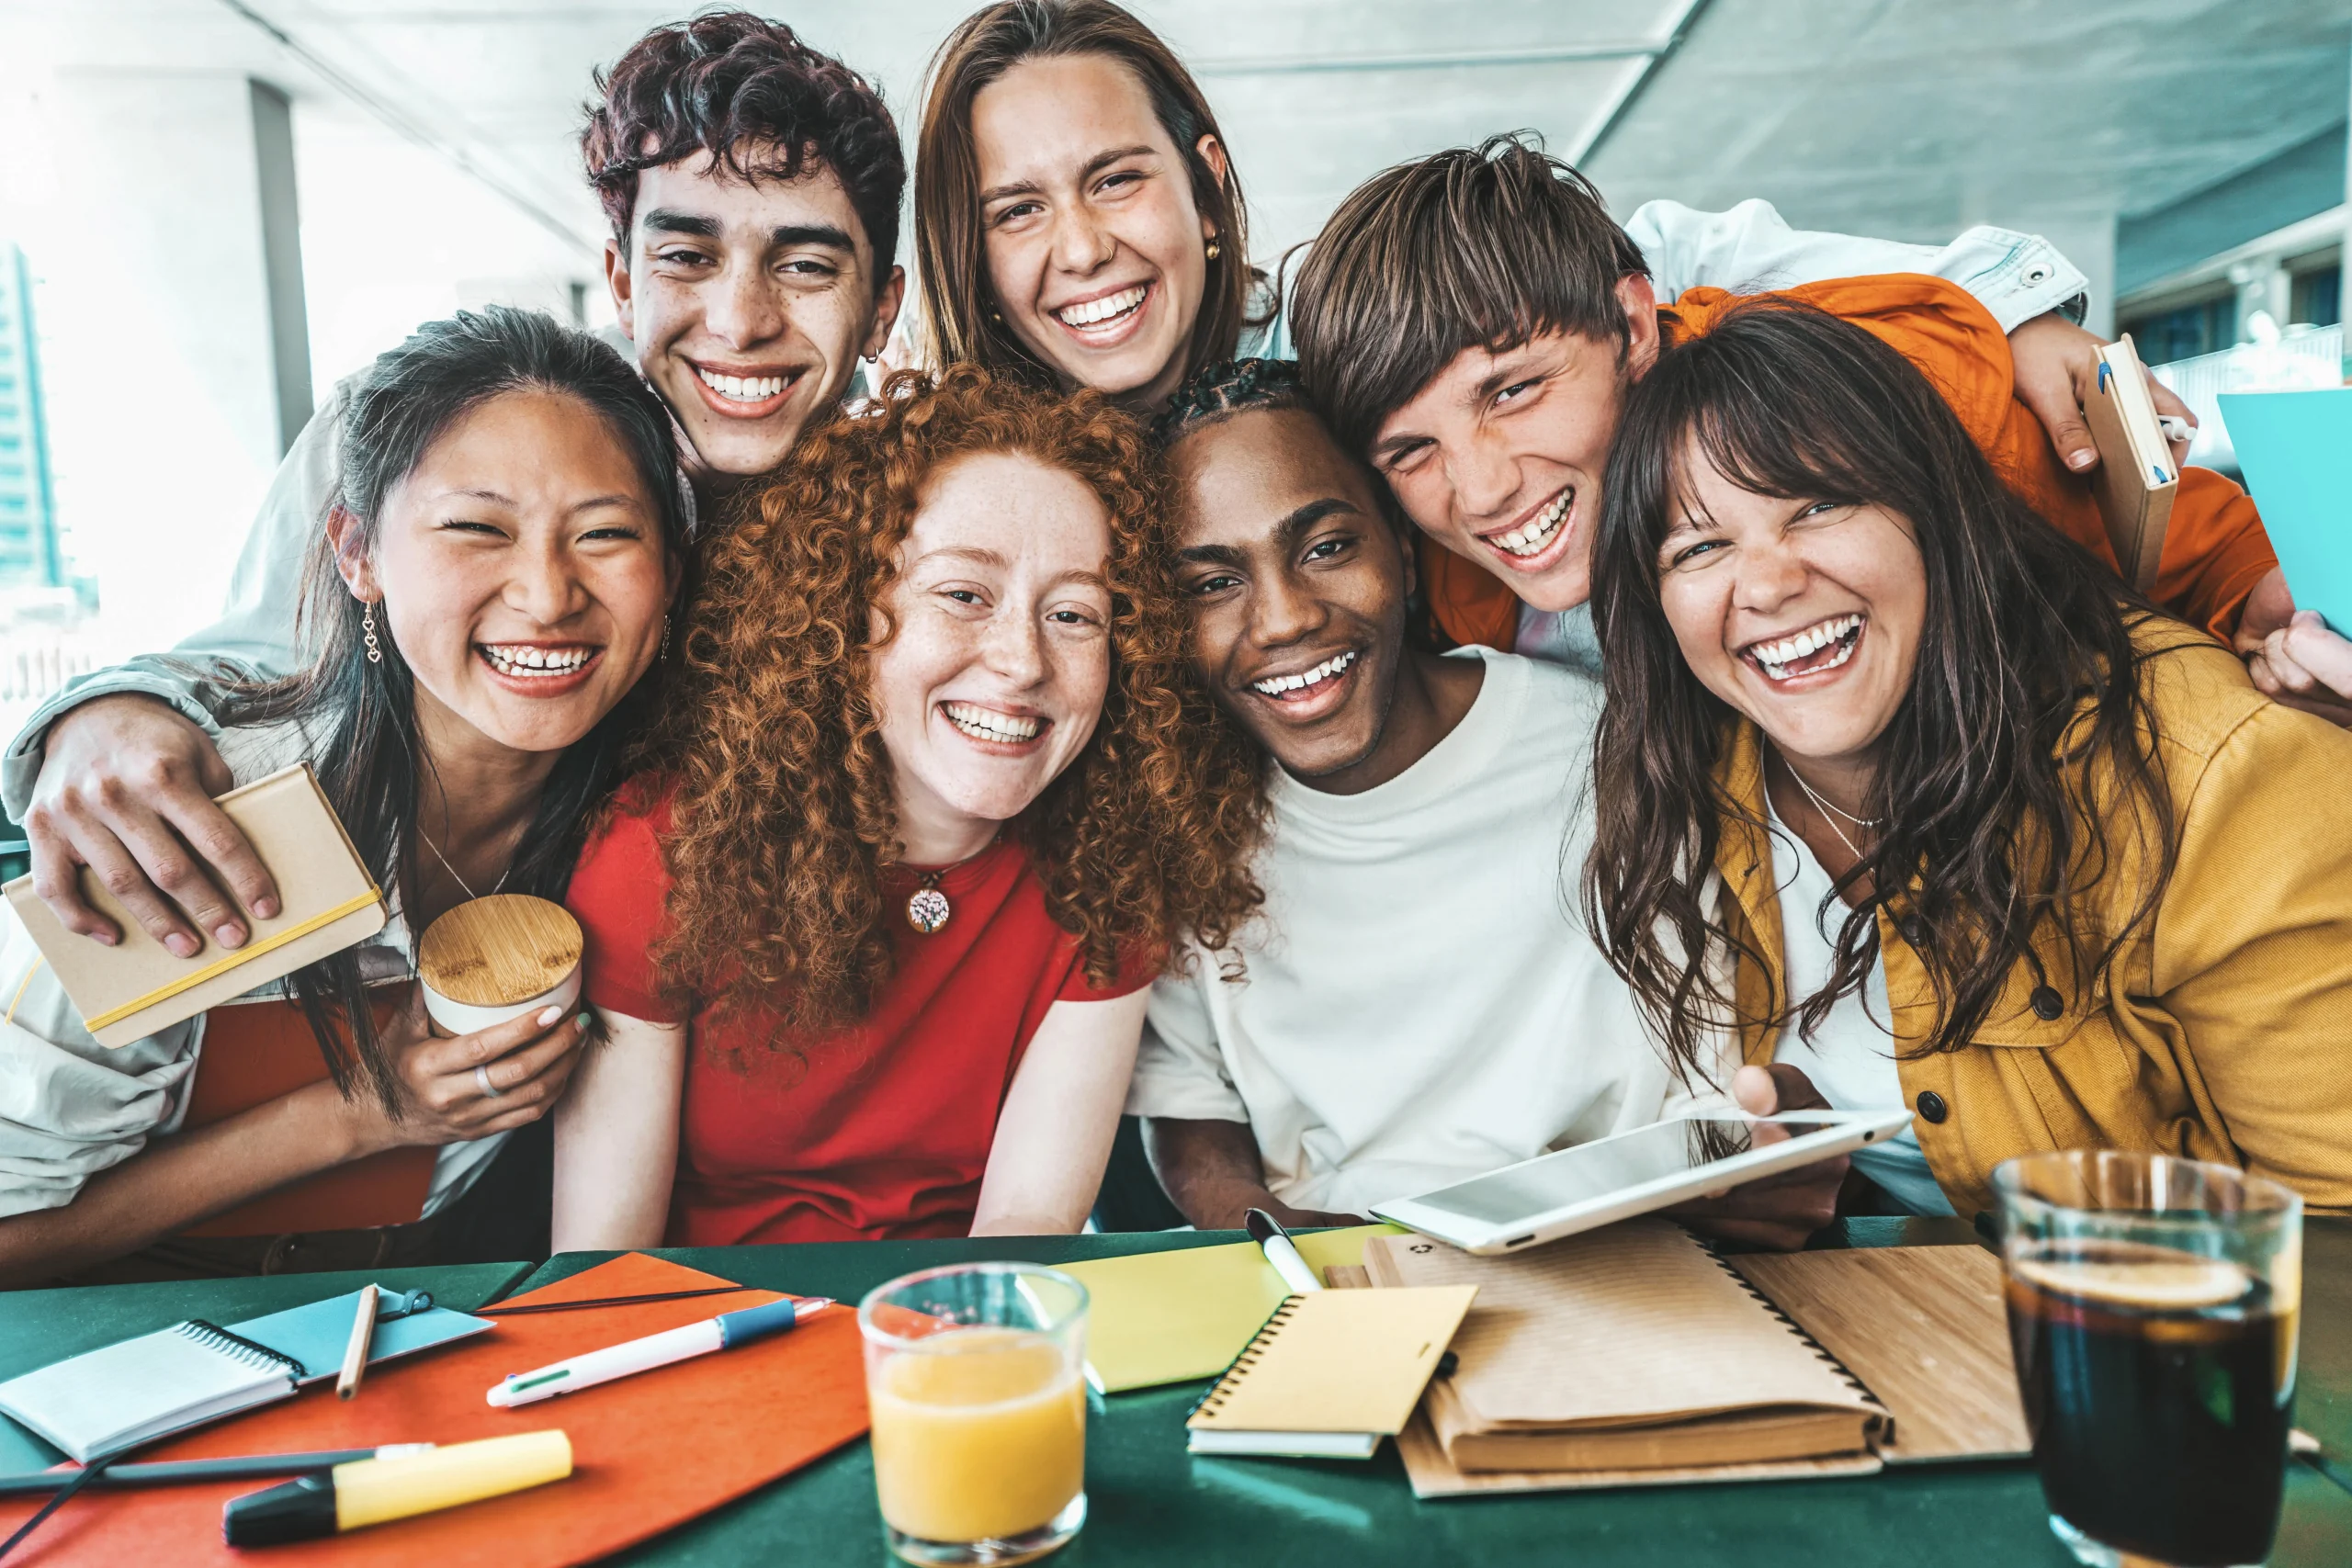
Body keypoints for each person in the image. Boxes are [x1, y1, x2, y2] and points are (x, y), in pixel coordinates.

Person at [6, 11, 908, 963]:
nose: (739, 320)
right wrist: (106, 717)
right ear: (623, 278)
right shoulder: (449, 428)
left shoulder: (924, 522)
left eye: (805, 265)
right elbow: (260, 655)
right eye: (686, 257)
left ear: (881, 309)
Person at [1582, 299, 2352, 1222]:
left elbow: (2335, 1245)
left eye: (1820, 504)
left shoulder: (2221, 780)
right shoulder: (1700, 776)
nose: (1770, 582)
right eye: (1700, 546)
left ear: (1935, 510)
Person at [0, 308, 687, 1285]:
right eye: (475, 528)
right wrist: (362, 1115)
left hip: (432, 1344)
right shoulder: (178, 823)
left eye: (607, 533)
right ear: (357, 554)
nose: (546, 594)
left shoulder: (648, 824)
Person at [550, 366, 1264, 1248]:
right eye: (964, 594)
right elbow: (604, 1268)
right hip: (703, 1341)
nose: (1022, 661)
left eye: (1076, 615)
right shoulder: (662, 849)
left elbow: (1028, 1228)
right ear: (846, 616)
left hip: (953, 1339)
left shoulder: (1107, 869)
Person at [1130, 360, 1835, 1250]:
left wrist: (1755, 1157)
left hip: (1636, 1254)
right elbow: (1189, 1118)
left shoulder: (1612, 744)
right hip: (1345, 1280)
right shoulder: (1185, 821)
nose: (1281, 620)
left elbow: (1724, 1074)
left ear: (1401, 544)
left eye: (1326, 547)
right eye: (1209, 584)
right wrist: (1329, 1256)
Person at [1286, 136, 2312, 692]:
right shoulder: (1448, 581)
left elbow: (2218, 557)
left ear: (1632, 330)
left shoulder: (1904, 394)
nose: (1484, 488)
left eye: (1512, 391)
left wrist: (2280, 629)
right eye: (1410, 449)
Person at [910, 1, 2097, 424]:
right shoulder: (979, 479)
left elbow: (1661, 257)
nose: (1080, 249)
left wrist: (2010, 309)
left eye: (1116, 178)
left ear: (1209, 185)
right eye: (1016, 210)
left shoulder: (1338, 330)